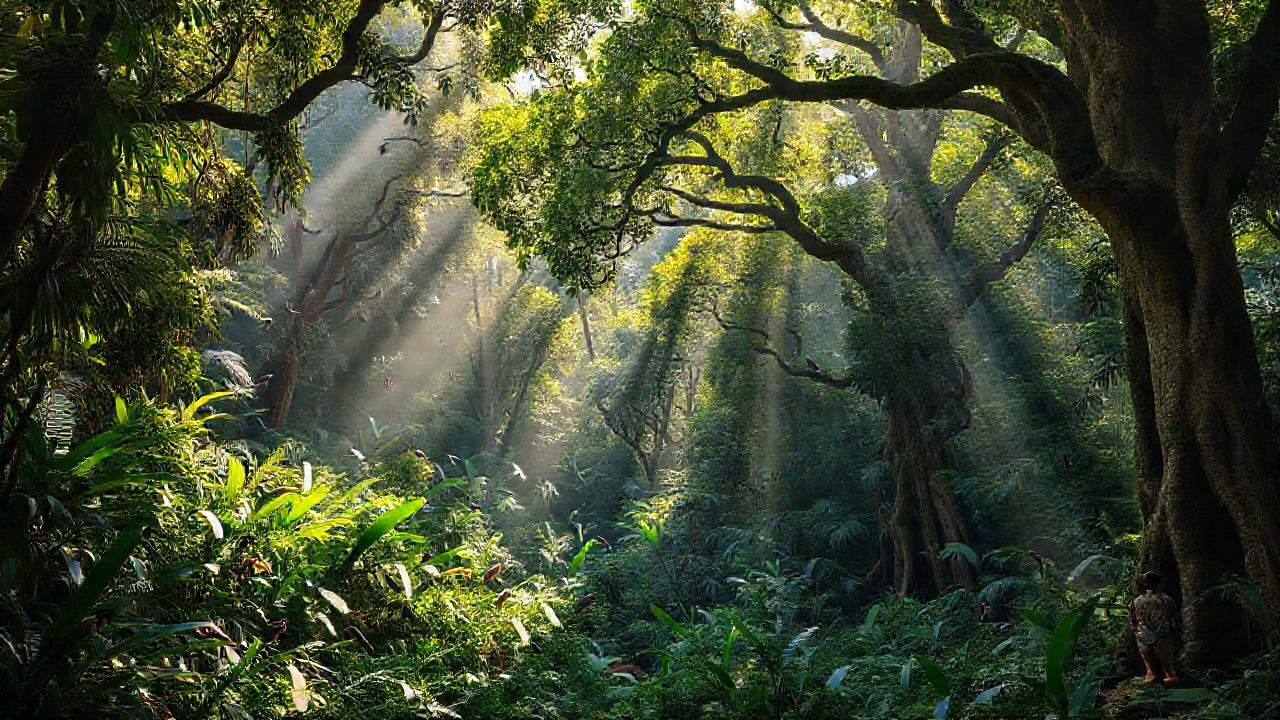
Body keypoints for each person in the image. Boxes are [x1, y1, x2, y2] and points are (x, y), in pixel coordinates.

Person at [1130, 571, 1180, 684]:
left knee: (1147, 657)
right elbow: (1173, 617)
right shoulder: (1166, 599)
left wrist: (1136, 630)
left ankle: (1151, 674)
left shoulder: (1136, 601)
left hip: (1143, 634)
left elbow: (1133, 620)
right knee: (1166, 658)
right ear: (1158, 584)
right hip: (1162, 633)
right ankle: (1170, 675)